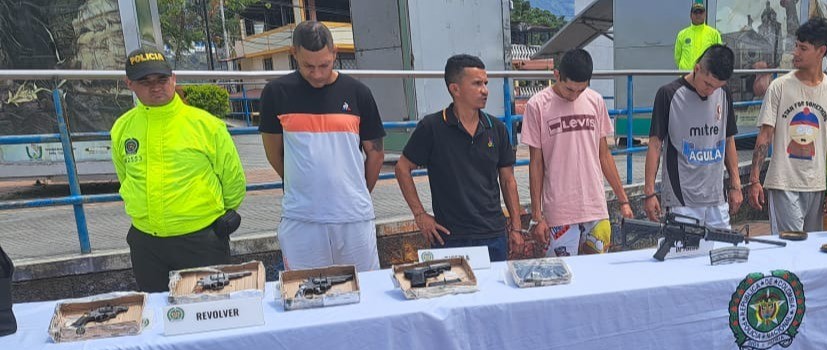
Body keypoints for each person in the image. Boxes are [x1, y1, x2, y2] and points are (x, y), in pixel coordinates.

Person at [111, 46, 245, 292]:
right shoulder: (122, 128)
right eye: (145, 81)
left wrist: (220, 218)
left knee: (209, 309)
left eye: (162, 79)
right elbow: (125, 176)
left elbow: (233, 180)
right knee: (157, 311)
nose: (155, 87)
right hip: (146, 244)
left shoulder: (206, 125)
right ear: (129, 84)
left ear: (173, 78)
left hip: (201, 240)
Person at [259, 21, 385, 272]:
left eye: (324, 65)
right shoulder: (276, 93)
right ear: (294, 54)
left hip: (354, 217)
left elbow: (376, 154)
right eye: (308, 66)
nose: (317, 74)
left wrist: (356, 192)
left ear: (335, 54)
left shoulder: (359, 93)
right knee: (305, 290)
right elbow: (274, 153)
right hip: (301, 219)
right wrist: (301, 184)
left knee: (364, 288)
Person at [395, 55, 524, 262]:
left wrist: (516, 228)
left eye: (485, 83)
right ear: (455, 89)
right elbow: (402, 168)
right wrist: (420, 215)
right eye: (477, 84)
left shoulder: (496, 128)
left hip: (493, 234)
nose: (485, 90)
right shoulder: (432, 127)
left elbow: (508, 180)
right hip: (449, 236)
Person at [521, 49, 634, 257]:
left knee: (598, 270)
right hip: (559, 210)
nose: (574, 96)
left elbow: (604, 155)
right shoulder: (537, 106)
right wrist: (537, 216)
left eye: (581, 90)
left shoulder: (595, 101)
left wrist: (623, 200)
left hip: (595, 206)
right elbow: (536, 163)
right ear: (557, 75)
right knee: (562, 273)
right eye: (569, 89)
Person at [748, 18, 827, 233]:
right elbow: (765, 135)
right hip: (783, 182)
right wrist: (754, 180)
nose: (796, 53)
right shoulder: (779, 87)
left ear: (821, 51)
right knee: (791, 242)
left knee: (810, 246)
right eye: (796, 46)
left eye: (803, 48)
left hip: (816, 184)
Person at [644, 44, 743, 231]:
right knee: (683, 248)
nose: (710, 91)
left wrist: (735, 184)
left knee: (724, 248)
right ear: (697, 68)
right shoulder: (668, 94)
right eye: (707, 84)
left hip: (716, 198)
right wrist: (649, 193)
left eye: (716, 87)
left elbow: (728, 139)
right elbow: (655, 145)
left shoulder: (724, 94)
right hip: (682, 200)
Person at [675, 3, 723, 71]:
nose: (698, 15)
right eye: (695, 12)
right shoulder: (682, 34)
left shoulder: (714, 34)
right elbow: (677, 57)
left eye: (701, 12)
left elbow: (719, 55)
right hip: (686, 75)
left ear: (705, 14)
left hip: (705, 75)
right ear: (690, 15)